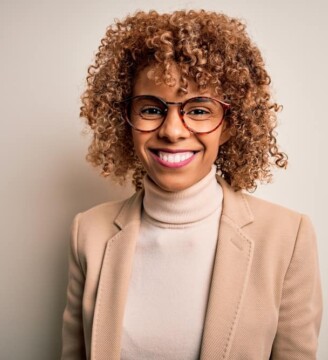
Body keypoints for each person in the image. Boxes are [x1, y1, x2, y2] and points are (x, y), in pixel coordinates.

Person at [61, 10, 323, 360]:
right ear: (125, 120)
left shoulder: (288, 237)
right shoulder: (88, 233)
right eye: (151, 109)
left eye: (199, 110)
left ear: (230, 124)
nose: (172, 130)